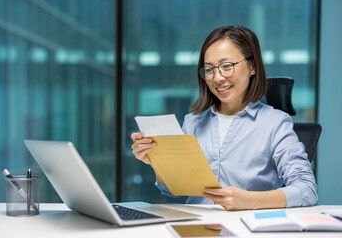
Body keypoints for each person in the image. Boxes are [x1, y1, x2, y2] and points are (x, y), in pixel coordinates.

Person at [131, 26, 317, 211]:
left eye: (227, 67)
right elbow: (172, 190)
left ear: (252, 67)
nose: (217, 78)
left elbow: (307, 189)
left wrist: (250, 200)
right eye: (209, 70)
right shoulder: (193, 121)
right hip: (196, 227)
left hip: (248, 227)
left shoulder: (275, 123)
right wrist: (157, 162)